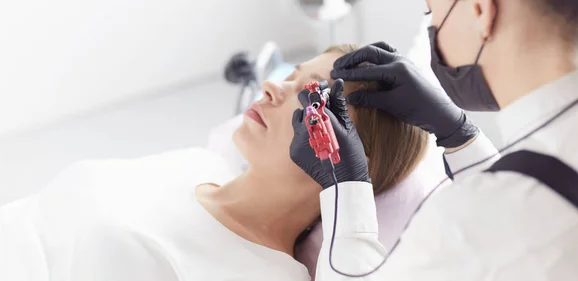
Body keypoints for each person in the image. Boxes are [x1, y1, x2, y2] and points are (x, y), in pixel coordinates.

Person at [289, 0, 578, 280]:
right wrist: (459, 135)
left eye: (431, 11)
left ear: (480, 3)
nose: (433, 29)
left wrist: (344, 185)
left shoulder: (464, 225)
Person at [0, 45, 427, 281]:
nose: (271, 88)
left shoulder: (265, 276)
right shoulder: (196, 165)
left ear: (345, 156)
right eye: (290, 74)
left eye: (307, 96)